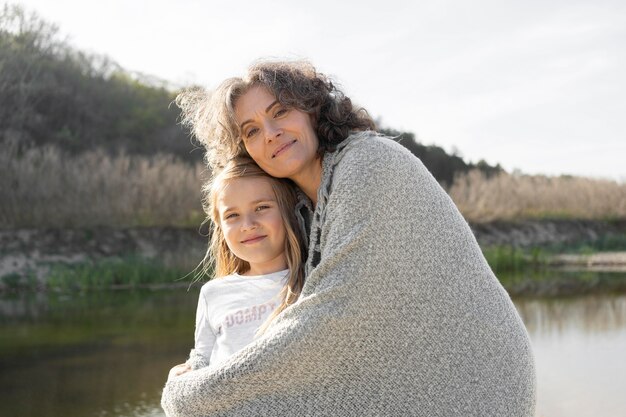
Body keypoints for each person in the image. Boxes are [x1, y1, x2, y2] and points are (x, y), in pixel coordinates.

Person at [161, 60, 536, 416]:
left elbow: (332, 319)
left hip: (474, 375)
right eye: (252, 130)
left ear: (312, 109)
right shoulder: (304, 210)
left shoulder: (368, 163)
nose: (271, 134)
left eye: (279, 112)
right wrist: (202, 364)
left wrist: (194, 395)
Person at [167, 157, 306, 380]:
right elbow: (202, 360)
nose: (248, 225)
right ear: (220, 227)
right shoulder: (213, 294)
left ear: (288, 211)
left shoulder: (312, 281)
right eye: (233, 215)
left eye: (261, 208)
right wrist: (185, 373)